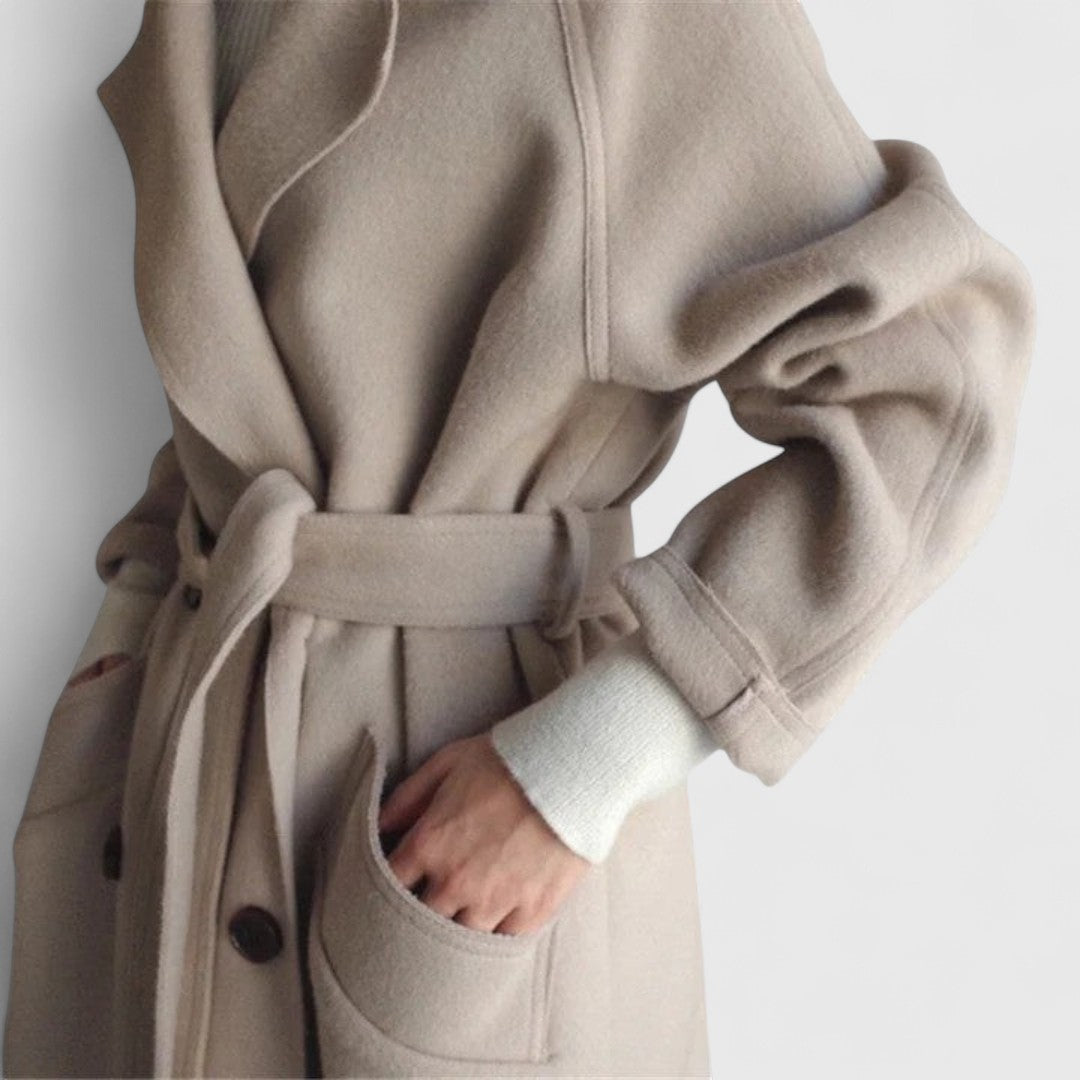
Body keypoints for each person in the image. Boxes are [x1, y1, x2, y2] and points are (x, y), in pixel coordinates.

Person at [4, 1, 1036, 1077]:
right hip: (190, 768)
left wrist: (588, 764)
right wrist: (136, 612)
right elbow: (248, 377)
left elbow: (930, 384)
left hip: (454, 790)